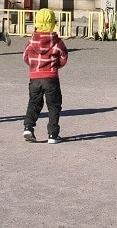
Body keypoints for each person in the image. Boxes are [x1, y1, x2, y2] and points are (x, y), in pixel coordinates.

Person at [22, 8, 68, 144]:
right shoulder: (57, 42)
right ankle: (53, 134)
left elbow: (25, 57)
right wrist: (55, 66)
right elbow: (63, 58)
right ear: (53, 23)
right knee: (54, 105)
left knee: (34, 102)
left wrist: (34, 66)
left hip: (34, 78)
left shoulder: (31, 41)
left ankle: (28, 127)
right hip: (51, 77)